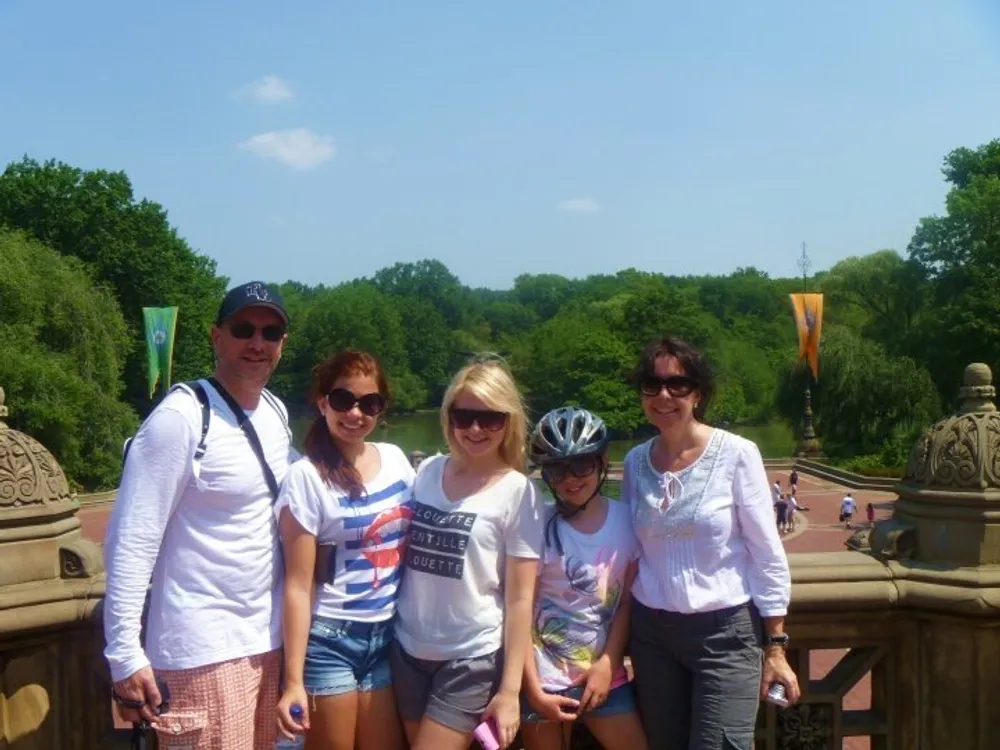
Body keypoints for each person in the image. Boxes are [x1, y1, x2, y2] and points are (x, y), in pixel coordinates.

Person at [104, 281, 293, 749]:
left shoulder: (276, 411)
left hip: (267, 641)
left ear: (282, 345)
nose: (257, 343)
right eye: (244, 329)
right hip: (201, 648)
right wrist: (124, 653)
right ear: (216, 337)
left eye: (270, 333)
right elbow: (132, 538)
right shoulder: (182, 417)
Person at [623, 337, 800, 750]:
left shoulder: (736, 453)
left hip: (724, 635)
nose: (664, 395)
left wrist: (775, 646)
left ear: (697, 393)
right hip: (652, 635)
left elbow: (766, 552)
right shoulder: (634, 462)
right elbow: (630, 550)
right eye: (652, 384)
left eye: (678, 384)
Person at [391, 357, 543, 750]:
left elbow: (520, 597)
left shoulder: (517, 492)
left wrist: (510, 692)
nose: (475, 429)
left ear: (507, 421)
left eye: (490, 418)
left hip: (469, 658)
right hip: (407, 648)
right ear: (449, 417)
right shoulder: (427, 471)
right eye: (464, 416)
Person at [275, 350, 415, 750]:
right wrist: (293, 681)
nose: (356, 413)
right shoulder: (307, 477)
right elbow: (298, 586)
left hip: (387, 637)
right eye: (343, 400)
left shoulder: (396, 460)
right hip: (329, 639)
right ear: (322, 403)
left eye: (369, 403)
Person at [521, 407, 648, 750]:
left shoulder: (627, 522)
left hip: (605, 675)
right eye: (557, 469)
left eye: (581, 465)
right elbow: (520, 611)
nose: (570, 479)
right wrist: (532, 689)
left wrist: (608, 663)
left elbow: (624, 603)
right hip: (541, 678)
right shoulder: (538, 526)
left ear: (602, 461)